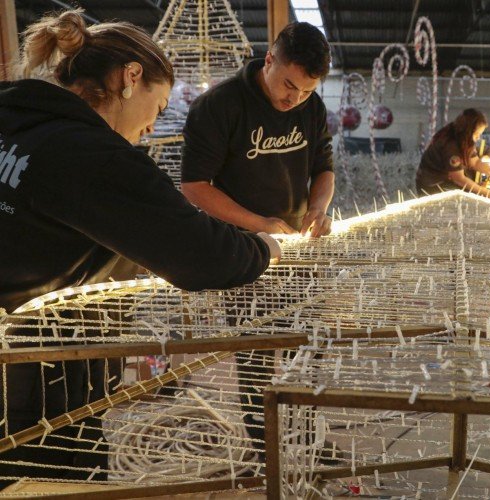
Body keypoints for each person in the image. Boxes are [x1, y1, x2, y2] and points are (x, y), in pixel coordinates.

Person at [0, 10, 281, 485]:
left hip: (18, 357)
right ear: (131, 77)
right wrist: (264, 248)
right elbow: (200, 254)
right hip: (35, 375)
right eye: (159, 104)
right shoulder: (90, 155)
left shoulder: (14, 116)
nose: (152, 126)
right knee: (50, 483)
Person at [180, 21, 335, 238]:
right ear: (269, 61)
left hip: (296, 237)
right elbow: (194, 186)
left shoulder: (313, 107)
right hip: (235, 240)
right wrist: (258, 224)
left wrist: (318, 209)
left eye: (307, 91)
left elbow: (324, 169)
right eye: (289, 85)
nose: (296, 99)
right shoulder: (219, 104)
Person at [416, 108, 490, 198]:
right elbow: (459, 178)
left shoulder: (463, 140)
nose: (478, 138)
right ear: (469, 131)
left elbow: (475, 162)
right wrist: (484, 192)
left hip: (444, 180)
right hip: (432, 186)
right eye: (477, 134)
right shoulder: (451, 145)